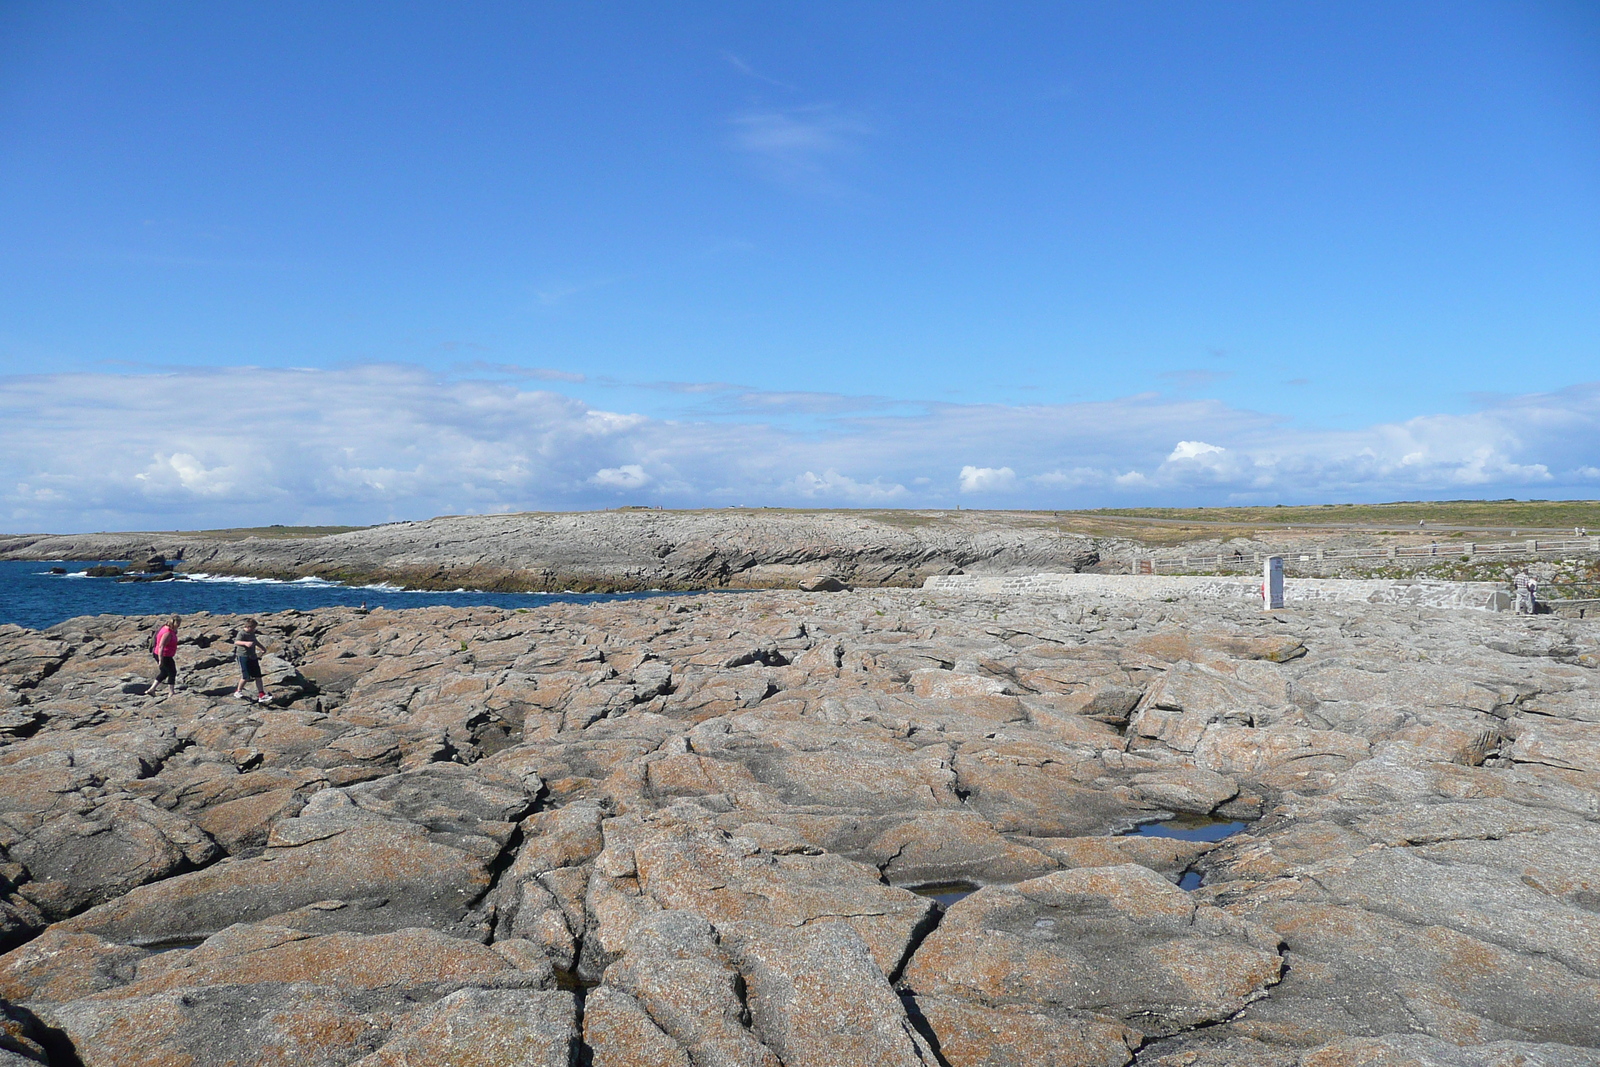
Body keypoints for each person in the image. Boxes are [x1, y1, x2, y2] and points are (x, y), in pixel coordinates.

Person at [232, 619, 270, 703]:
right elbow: (236, 642)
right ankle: (238, 691)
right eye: (253, 628)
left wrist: (262, 647)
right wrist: (245, 643)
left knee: (258, 676)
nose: (254, 629)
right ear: (248, 627)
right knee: (246, 676)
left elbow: (255, 641)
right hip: (243, 656)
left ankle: (261, 694)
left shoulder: (252, 633)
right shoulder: (242, 633)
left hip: (253, 656)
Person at [144, 616, 180, 698]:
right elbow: (161, 646)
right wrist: (161, 660)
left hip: (161, 654)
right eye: (178, 624)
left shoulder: (165, 628)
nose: (179, 626)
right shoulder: (167, 632)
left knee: (164, 672)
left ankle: (151, 689)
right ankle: (171, 692)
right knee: (172, 672)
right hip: (164, 655)